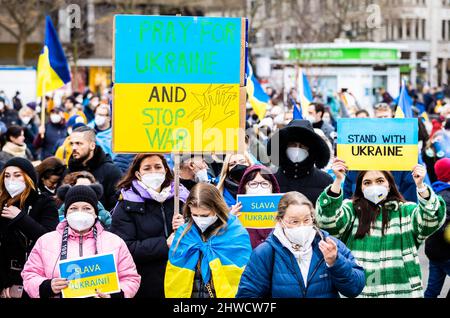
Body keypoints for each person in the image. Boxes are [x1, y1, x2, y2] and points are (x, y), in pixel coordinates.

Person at [316, 158, 446, 297]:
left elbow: (431, 219)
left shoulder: (406, 211)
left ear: (389, 185)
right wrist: (338, 181)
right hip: (361, 292)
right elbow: (327, 221)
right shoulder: (351, 209)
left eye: (380, 181)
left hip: (400, 291)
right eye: (367, 182)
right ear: (361, 187)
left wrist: (421, 186)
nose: (374, 186)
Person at [236, 191, 365, 298]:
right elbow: (247, 295)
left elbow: (355, 288)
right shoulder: (266, 252)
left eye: (307, 220)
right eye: (294, 221)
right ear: (281, 221)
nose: (302, 226)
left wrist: (335, 262)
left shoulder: (328, 244)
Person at [21, 185, 141, 298]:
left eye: (87, 208)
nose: (80, 212)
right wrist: (47, 287)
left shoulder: (115, 242)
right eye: (73, 208)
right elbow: (29, 275)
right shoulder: (45, 241)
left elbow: (130, 278)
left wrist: (114, 295)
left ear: (95, 214)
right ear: (66, 213)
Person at [111, 154, 189, 297]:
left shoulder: (182, 198)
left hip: (182, 278)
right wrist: (164, 244)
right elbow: (125, 248)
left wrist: (186, 228)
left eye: (158, 167)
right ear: (138, 174)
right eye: (147, 168)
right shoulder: (126, 204)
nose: (153, 171)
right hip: (147, 284)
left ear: (166, 170)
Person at [165, 183, 252, 298]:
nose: (199, 220)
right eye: (194, 214)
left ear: (217, 209)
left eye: (205, 215)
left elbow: (242, 279)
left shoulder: (236, 234)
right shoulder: (183, 234)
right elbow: (175, 278)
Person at [0, 158, 59, 298]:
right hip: (5, 277)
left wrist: (21, 218)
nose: (11, 180)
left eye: (17, 175)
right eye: (7, 176)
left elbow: (48, 238)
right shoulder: (2, 203)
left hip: (32, 275)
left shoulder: (44, 202)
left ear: (28, 177)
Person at [267, 119, 333, 204]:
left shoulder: (325, 181)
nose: (297, 149)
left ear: (311, 150)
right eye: (293, 145)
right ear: (284, 147)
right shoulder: (271, 179)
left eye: (302, 146)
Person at [67, 126, 122, 210]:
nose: (74, 148)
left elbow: (116, 207)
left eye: (78, 143)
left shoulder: (111, 171)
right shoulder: (68, 171)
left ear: (92, 146)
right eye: (72, 144)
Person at [235, 164, 281, 249]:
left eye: (264, 183)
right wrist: (231, 221)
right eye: (253, 184)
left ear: (272, 187)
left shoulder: (282, 213)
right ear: (244, 187)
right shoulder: (234, 213)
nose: (259, 187)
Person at [424, 158, 450, 298]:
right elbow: (441, 225)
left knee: (432, 290)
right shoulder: (446, 196)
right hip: (445, 252)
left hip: (435, 251)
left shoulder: (436, 191)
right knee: (433, 290)